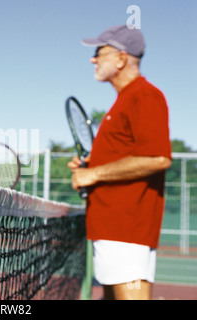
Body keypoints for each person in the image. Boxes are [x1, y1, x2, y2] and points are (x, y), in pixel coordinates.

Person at [68, 25, 172, 300]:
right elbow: (131, 155)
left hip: (127, 231)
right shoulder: (124, 100)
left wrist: (94, 174)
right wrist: (92, 166)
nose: (93, 59)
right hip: (112, 230)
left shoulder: (144, 95)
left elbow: (157, 158)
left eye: (98, 52)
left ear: (121, 58)